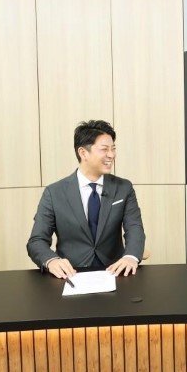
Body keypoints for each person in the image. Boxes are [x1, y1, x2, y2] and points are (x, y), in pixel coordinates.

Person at [28, 119, 145, 278]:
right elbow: (37, 240)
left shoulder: (124, 188)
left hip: (114, 272)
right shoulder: (54, 193)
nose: (111, 155)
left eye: (113, 149)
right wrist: (52, 261)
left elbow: (135, 228)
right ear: (83, 153)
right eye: (104, 149)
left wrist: (130, 257)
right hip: (71, 274)